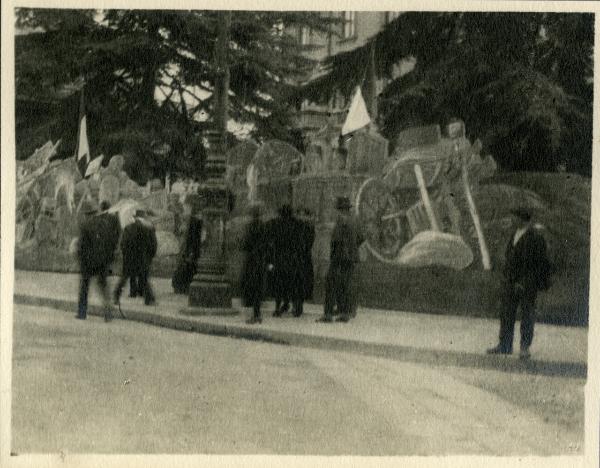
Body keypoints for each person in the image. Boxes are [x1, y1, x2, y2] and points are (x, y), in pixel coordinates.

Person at [487, 207, 552, 359]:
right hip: (510, 282)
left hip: (526, 284)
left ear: (522, 219)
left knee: (527, 315)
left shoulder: (536, 238)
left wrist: (524, 282)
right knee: (506, 314)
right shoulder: (514, 235)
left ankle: (524, 347)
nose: (511, 220)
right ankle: (505, 345)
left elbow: (538, 264)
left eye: (513, 217)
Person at [317, 197, 365, 323]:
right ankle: (345, 312)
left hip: (339, 257)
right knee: (347, 284)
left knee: (331, 283)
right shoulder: (355, 220)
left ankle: (328, 314)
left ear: (339, 209)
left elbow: (336, 240)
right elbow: (362, 237)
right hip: (351, 257)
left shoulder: (341, 220)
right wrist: (353, 248)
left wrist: (334, 252)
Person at [76, 199, 121, 321]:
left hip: (88, 262)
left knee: (84, 288)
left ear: (86, 214)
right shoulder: (104, 223)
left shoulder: (85, 226)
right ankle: (108, 312)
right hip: (102, 261)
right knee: (103, 286)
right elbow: (110, 242)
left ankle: (82, 313)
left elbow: (81, 246)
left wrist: (80, 259)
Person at [114, 209, 158, 306]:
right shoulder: (149, 228)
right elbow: (153, 245)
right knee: (144, 279)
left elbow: (123, 244)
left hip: (129, 258)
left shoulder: (128, 227)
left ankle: (116, 296)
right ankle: (149, 299)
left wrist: (126, 255)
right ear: (144, 217)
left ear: (135, 217)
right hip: (143, 258)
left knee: (124, 278)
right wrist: (150, 256)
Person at [266, 204, 300, 317]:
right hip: (292, 258)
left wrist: (270, 260)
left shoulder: (276, 224)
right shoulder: (296, 224)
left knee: (279, 285)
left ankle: (279, 308)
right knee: (292, 284)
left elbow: (271, 242)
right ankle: (295, 307)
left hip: (279, 258)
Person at [241, 204, 268, 324]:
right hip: (261, 259)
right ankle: (257, 314)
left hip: (252, 259)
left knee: (251, 286)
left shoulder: (250, 227)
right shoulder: (264, 226)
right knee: (258, 286)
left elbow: (245, 244)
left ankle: (255, 315)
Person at [172, 194, 203, 294]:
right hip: (191, 249)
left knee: (187, 267)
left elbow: (191, 237)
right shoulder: (195, 219)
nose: (185, 207)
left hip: (190, 249)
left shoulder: (194, 220)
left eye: (187, 205)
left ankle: (183, 287)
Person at [292, 208, 315, 317]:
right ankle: (297, 304)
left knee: (298, 281)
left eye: (302, 215)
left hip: (300, 258)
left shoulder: (302, 227)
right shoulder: (308, 227)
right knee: (300, 282)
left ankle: (297, 305)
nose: (300, 217)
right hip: (303, 258)